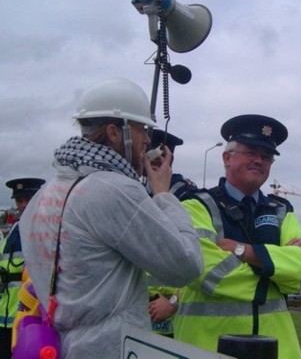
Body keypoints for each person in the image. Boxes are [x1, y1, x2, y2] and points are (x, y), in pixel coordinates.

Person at [18, 77, 203, 359]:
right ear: (115, 133)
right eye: (143, 130)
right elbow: (186, 265)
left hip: (59, 344)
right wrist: (164, 195)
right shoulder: (114, 188)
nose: (147, 141)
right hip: (109, 348)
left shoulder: (44, 194)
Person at [174, 114, 301, 359]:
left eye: (266, 157)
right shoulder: (197, 206)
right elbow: (204, 271)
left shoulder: (281, 210)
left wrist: (246, 252)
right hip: (207, 348)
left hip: (278, 350)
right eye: (251, 152)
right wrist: (278, 273)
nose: (259, 161)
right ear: (226, 157)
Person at [147, 129, 197, 338]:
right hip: (141, 306)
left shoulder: (186, 196)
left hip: (171, 309)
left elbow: (197, 258)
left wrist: (173, 302)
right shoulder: (137, 191)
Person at [0, 177, 45, 359]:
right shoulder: (13, 231)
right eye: (20, 200)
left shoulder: (47, 230)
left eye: (28, 198)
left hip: (29, 322)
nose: (24, 204)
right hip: (4, 320)